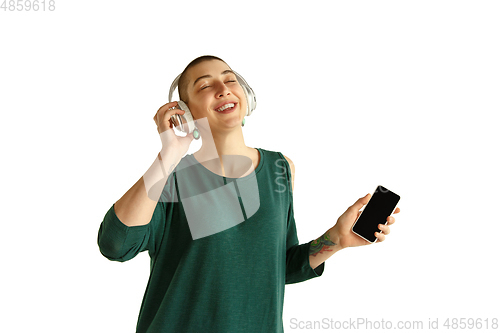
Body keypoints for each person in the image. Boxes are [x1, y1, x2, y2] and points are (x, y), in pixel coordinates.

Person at [97, 55, 400, 333]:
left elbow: (281, 267)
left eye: (230, 80)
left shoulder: (280, 169)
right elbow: (116, 244)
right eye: (205, 85)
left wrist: (335, 239)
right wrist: (170, 154)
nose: (223, 88)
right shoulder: (171, 179)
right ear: (185, 113)